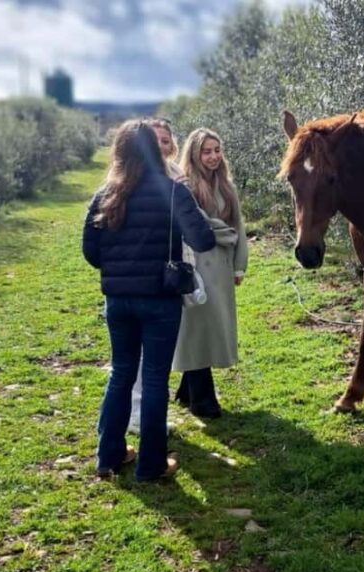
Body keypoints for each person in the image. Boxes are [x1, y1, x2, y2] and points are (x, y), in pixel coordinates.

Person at [82, 120, 215, 481]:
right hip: (160, 298)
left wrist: (120, 269)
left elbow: (90, 251)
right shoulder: (173, 192)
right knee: (155, 379)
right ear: (155, 150)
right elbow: (203, 240)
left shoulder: (106, 193)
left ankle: (108, 456)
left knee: (120, 373)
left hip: (118, 300)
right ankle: (151, 465)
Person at [172, 128, 248, 418]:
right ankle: (202, 399)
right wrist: (224, 235)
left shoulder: (226, 186)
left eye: (217, 150)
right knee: (196, 329)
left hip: (222, 267)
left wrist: (240, 264)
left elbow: (237, 227)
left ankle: (187, 390)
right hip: (196, 265)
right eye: (207, 151)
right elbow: (201, 227)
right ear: (194, 154)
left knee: (210, 328)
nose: (214, 156)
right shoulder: (186, 186)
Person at [126, 117, 185, 436]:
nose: (161, 145)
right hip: (138, 280)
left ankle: (150, 418)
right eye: (155, 140)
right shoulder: (130, 178)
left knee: (157, 357)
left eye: (165, 140)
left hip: (168, 278)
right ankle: (136, 415)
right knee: (134, 359)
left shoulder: (177, 175)